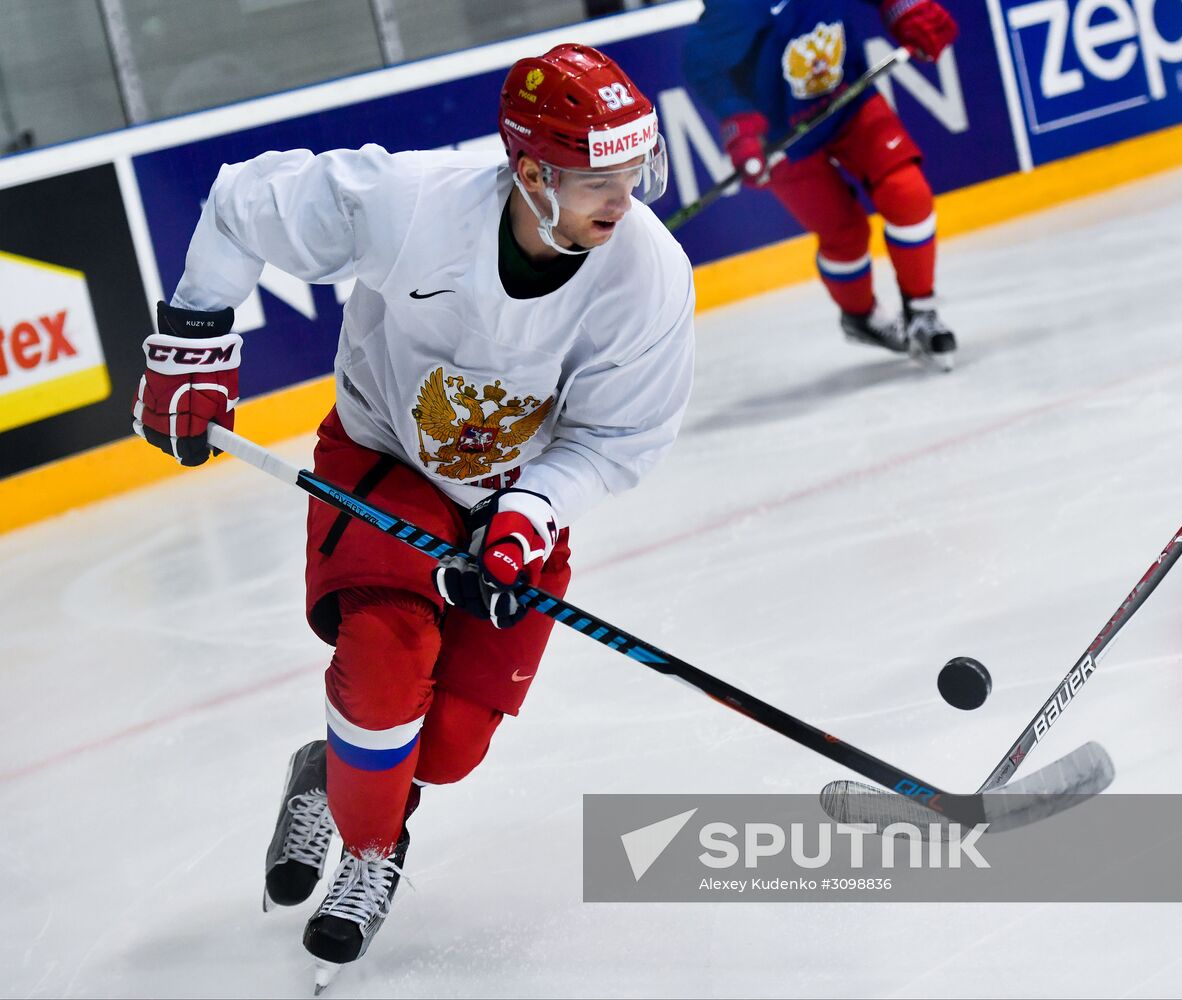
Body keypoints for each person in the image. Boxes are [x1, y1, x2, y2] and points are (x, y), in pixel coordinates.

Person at [132, 43, 694, 987]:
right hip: (383, 458)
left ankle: (331, 774)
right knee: (388, 658)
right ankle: (370, 852)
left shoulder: (647, 273)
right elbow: (240, 203)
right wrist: (196, 339)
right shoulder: (410, 205)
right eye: (599, 176)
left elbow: (616, 439)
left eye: (633, 171)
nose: (622, 197)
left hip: (511, 507)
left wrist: (531, 509)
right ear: (530, 170)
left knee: (449, 750)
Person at [684, 0, 959, 370]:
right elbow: (702, 61)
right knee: (844, 236)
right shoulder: (734, 9)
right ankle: (861, 317)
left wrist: (907, 9)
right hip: (785, 139)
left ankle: (922, 311)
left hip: (851, 104)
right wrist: (738, 124)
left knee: (906, 192)